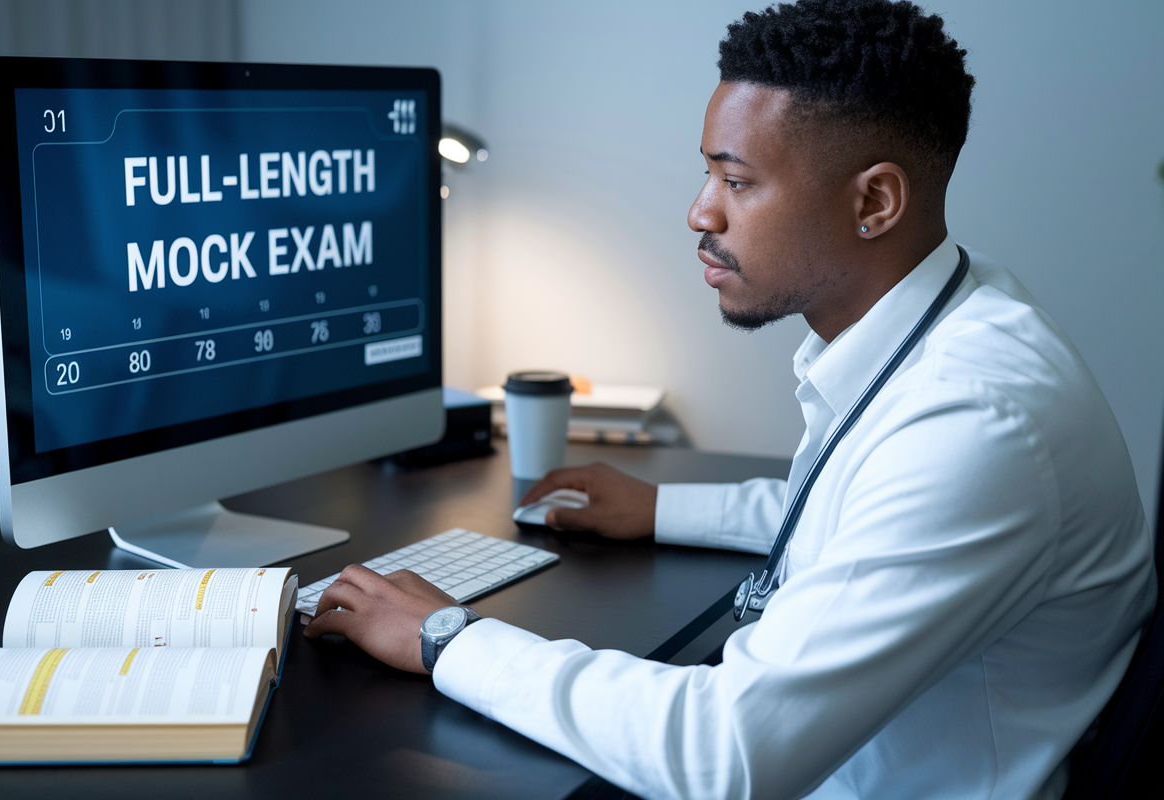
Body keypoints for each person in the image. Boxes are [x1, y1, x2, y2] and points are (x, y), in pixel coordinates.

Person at [303, 1, 1157, 797]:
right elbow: (865, 512)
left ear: (875, 202)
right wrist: (665, 507)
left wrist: (448, 637)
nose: (698, 212)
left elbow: (723, 756)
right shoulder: (954, 319)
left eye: (736, 181)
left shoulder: (974, 422)